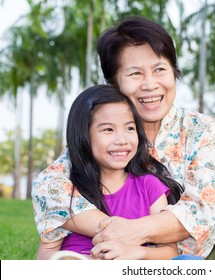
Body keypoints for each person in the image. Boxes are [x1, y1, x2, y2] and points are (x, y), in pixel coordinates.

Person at [32, 16, 215, 260]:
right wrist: (109, 228)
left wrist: (130, 231)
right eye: (135, 74)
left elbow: (200, 212)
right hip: (128, 261)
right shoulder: (102, 138)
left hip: (203, 258)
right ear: (113, 83)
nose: (150, 84)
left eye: (160, 69)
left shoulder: (202, 129)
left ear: (174, 72)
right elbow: (49, 186)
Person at [35, 84, 184, 260]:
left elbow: (169, 252)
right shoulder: (68, 191)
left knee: (189, 262)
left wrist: (136, 252)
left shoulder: (149, 186)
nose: (122, 140)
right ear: (83, 135)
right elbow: (46, 252)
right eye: (108, 130)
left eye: (130, 128)